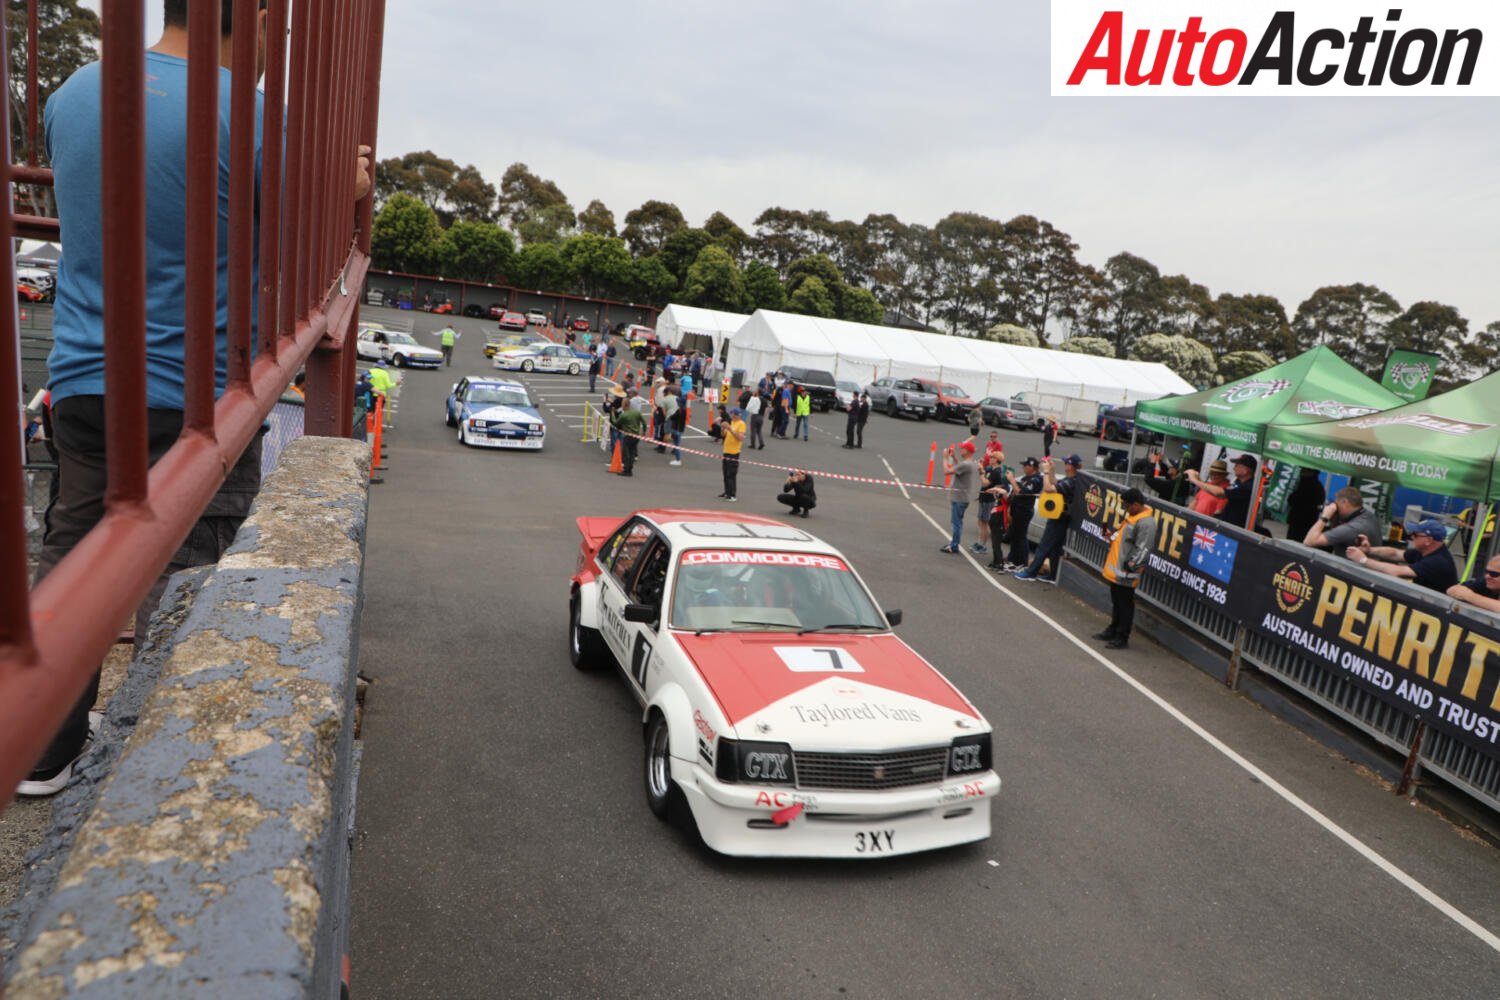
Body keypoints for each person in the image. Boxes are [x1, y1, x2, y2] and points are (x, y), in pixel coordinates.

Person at [20, 0, 372, 798]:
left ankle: (43, 751)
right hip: (195, 396)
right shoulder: (248, 116)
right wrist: (345, 189)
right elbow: (296, 241)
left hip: (83, 377)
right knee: (186, 578)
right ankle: (147, 765)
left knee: (73, 558)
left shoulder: (74, 91)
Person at [1095, 487, 1158, 649]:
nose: (1125, 509)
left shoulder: (1146, 523)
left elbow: (1143, 548)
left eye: (1127, 506)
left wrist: (1131, 565)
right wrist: (1111, 537)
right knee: (1117, 601)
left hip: (1127, 572)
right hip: (1117, 570)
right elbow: (1123, 540)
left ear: (1136, 504)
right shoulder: (1133, 517)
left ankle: (1122, 636)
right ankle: (1113, 629)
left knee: (1125, 604)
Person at [1014, 454, 1080, 582]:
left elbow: (1049, 488)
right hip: (1061, 516)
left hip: (1059, 517)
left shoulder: (1072, 482)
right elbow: (1055, 482)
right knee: (1055, 548)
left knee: (1044, 546)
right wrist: (1052, 470)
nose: (1065, 465)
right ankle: (1053, 575)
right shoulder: (1070, 479)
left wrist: (1045, 471)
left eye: (1066, 463)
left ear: (1070, 466)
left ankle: (1031, 572)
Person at [1346, 520, 1458, 593]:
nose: (1412, 537)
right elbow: (1395, 554)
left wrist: (1363, 560)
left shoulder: (1438, 561)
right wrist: (1369, 550)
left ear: (1428, 540)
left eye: (1415, 535)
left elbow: (1397, 571)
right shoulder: (1424, 551)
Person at [1302, 486, 1380, 558]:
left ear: (1345, 502)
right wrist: (1334, 521)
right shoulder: (1369, 516)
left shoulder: (1353, 527)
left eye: (1337, 504)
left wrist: (1325, 517)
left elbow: (1309, 541)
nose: (1336, 508)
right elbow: (1340, 536)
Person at [999, 456, 1043, 571]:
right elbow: (1015, 488)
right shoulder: (1026, 477)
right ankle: (1012, 559)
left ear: (1032, 467)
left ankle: (1022, 562)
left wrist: (1012, 480)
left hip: (1024, 511)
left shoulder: (1036, 479)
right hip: (1016, 509)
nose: (1023, 468)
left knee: (1021, 537)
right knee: (1014, 536)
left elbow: (1022, 493)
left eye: (1025, 466)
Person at [1187, 454, 1256, 527]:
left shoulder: (1247, 486)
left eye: (1237, 465)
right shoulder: (1239, 484)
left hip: (1232, 528)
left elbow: (1219, 493)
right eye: (1211, 473)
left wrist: (1195, 480)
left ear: (1246, 469)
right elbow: (1194, 503)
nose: (1234, 468)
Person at [940, 441, 978, 554]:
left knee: (956, 523)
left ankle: (954, 545)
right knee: (958, 522)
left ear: (967, 450)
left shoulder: (966, 464)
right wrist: (955, 457)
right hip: (964, 498)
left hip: (959, 498)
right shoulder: (971, 463)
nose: (961, 450)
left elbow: (946, 471)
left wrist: (945, 458)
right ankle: (954, 543)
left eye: (962, 449)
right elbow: (961, 467)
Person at [972, 453, 1006, 554]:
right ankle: (979, 542)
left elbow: (985, 483)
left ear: (997, 459)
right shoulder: (989, 468)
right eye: (990, 457)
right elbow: (983, 472)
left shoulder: (997, 472)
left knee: (985, 522)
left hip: (989, 499)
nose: (990, 459)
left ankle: (983, 545)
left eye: (992, 457)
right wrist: (981, 467)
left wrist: (981, 472)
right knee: (980, 521)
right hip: (983, 497)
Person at [1284, 467, 1326, 543]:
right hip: (1306, 522)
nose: (1301, 473)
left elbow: (1294, 500)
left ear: (1312, 472)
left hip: (1301, 523)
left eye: (1304, 471)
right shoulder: (1317, 486)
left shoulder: (1308, 485)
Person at [612, 389, 645, 476]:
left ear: (624, 405)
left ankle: (626, 470)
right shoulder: (637, 412)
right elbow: (644, 422)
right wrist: (644, 431)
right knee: (632, 453)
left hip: (628, 435)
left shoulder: (624, 415)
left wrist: (612, 414)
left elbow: (616, 422)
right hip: (636, 435)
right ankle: (630, 469)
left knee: (626, 453)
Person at [718, 407, 747, 501]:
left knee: (731, 474)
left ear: (735, 415)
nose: (731, 415)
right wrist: (723, 428)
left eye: (732, 414)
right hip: (726, 451)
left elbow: (740, 438)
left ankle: (732, 495)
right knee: (725, 473)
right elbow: (723, 435)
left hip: (734, 452)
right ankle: (727, 491)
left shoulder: (741, 424)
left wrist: (730, 429)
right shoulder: (732, 423)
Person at [667, 387, 686, 465]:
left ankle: (678, 460)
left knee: (677, 444)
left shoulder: (680, 411)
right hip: (680, 429)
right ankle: (677, 459)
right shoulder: (684, 410)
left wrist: (671, 416)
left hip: (677, 429)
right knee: (676, 443)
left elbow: (673, 417)